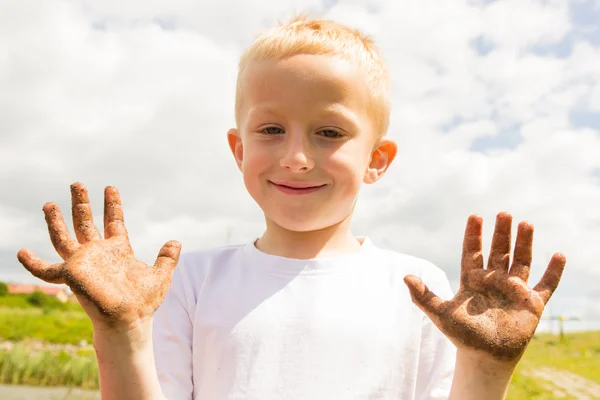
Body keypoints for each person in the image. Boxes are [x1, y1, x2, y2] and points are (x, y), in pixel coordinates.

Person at [16, 15, 566, 400]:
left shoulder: (417, 285)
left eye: (329, 132)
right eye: (271, 129)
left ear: (377, 159)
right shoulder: (191, 281)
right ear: (238, 149)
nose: (297, 157)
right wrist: (121, 333)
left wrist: (488, 368)